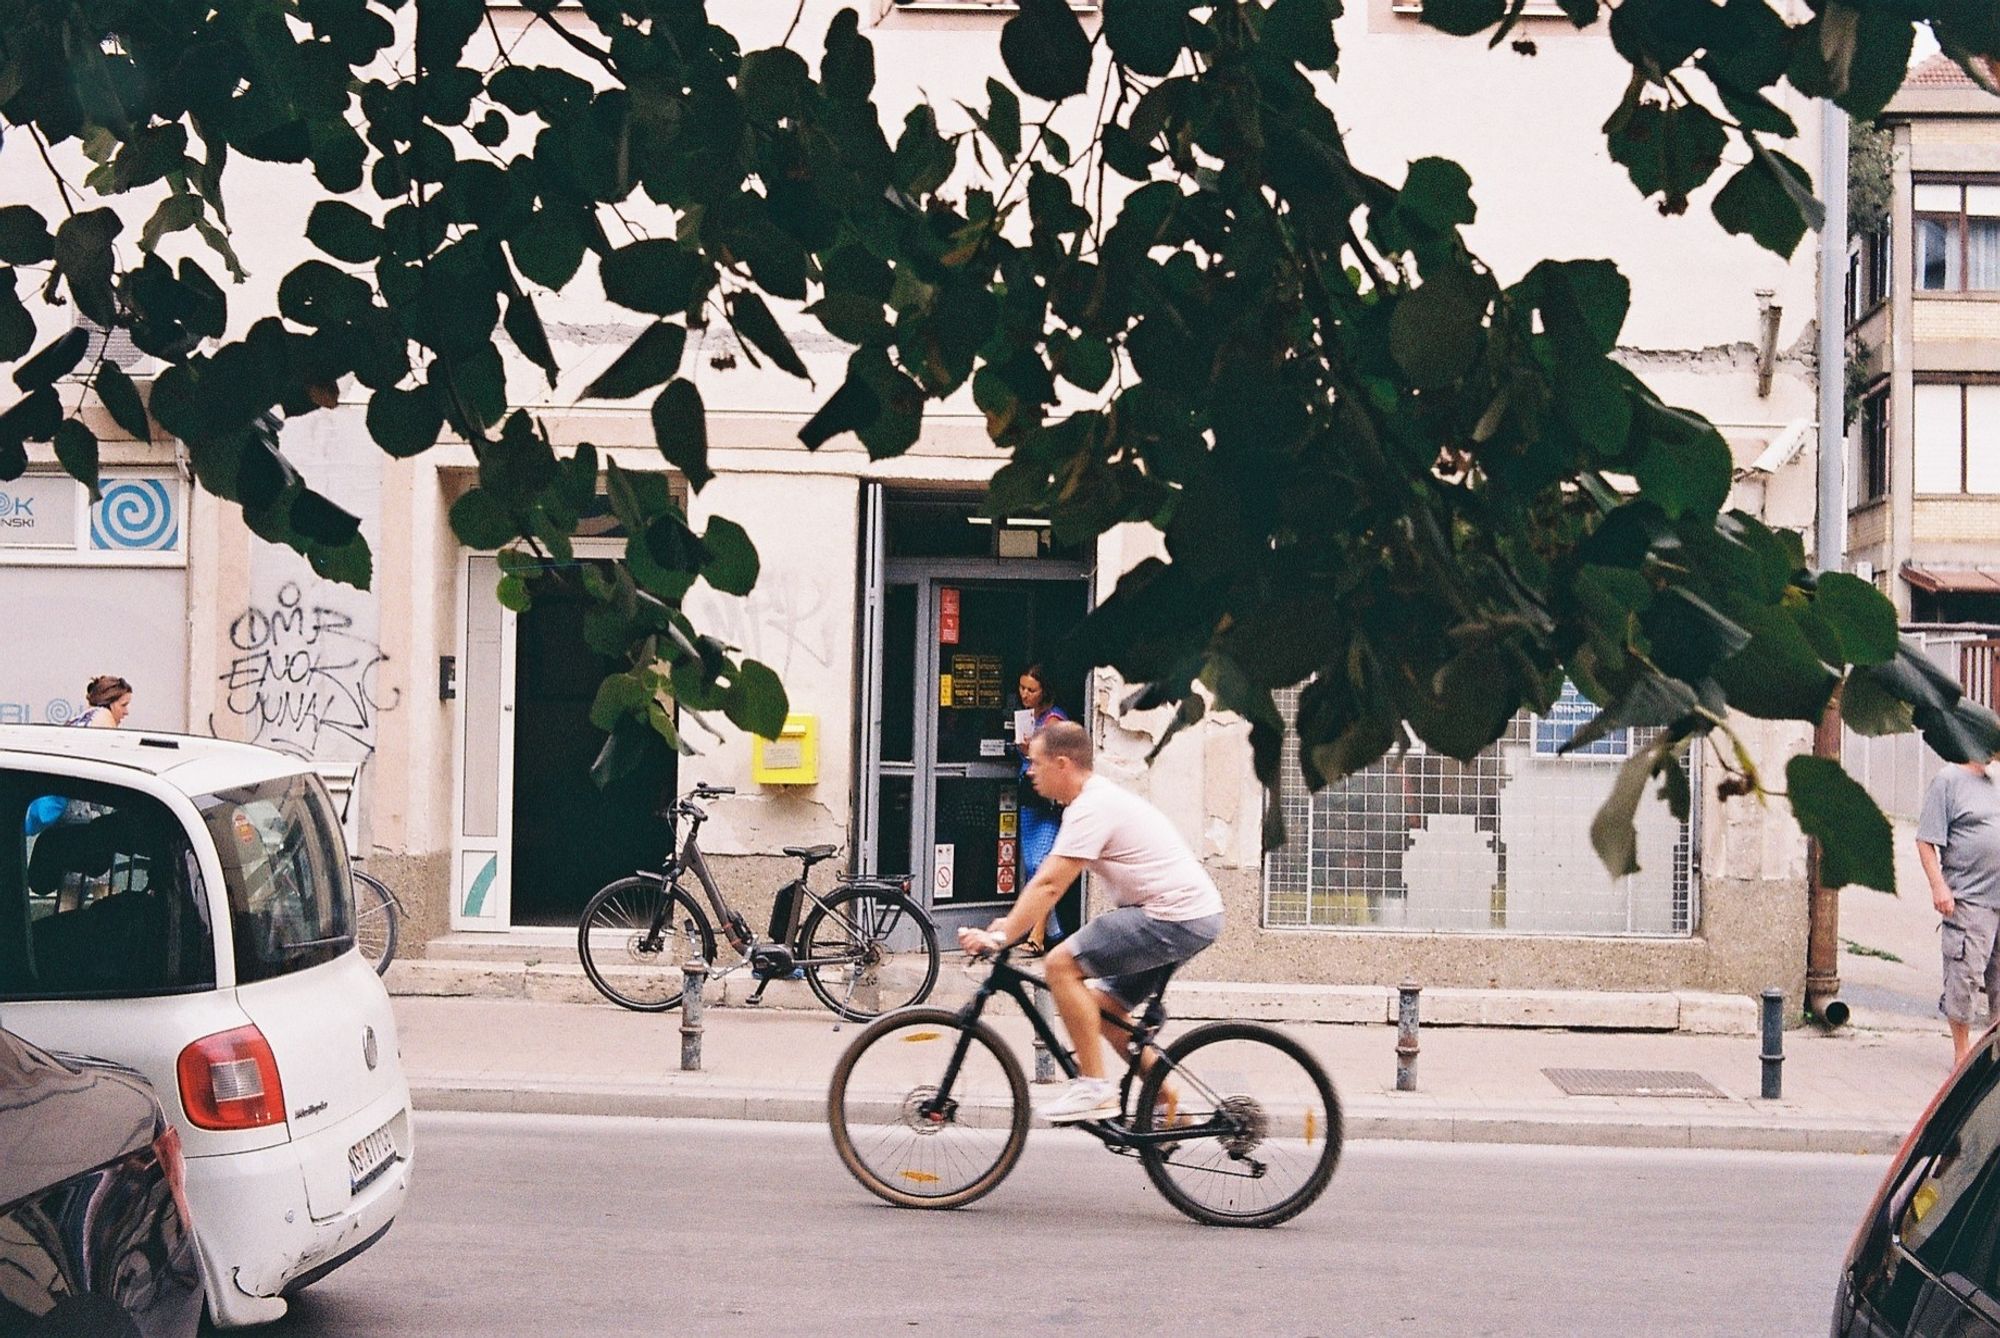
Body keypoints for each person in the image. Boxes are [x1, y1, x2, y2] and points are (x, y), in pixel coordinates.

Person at [959, 720, 1225, 1123]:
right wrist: (1009, 925)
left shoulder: (1091, 808)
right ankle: (1167, 1105)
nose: (1029, 772)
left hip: (1173, 914)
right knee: (1104, 1008)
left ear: (1062, 763)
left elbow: (1049, 885)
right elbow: (1045, 884)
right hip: (1190, 915)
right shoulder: (1093, 803)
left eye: (1035, 763)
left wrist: (999, 936)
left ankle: (1095, 1088)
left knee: (1060, 964)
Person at [1917, 749, 2000, 1064]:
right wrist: (1939, 886)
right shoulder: (1948, 780)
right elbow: (1926, 840)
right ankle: (1961, 1053)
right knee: (1964, 978)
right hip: (1969, 900)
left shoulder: (1998, 779)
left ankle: (1995, 1054)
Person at [1012, 664, 1068, 957]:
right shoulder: (1027, 718)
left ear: (1044, 690)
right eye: (1021, 688)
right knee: (1032, 864)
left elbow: (1062, 759)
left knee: (1040, 865)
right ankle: (1055, 934)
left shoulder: (1054, 719)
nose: (1024, 694)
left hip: (1046, 800)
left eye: (1031, 690)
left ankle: (1038, 934)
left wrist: (1031, 750)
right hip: (1029, 797)